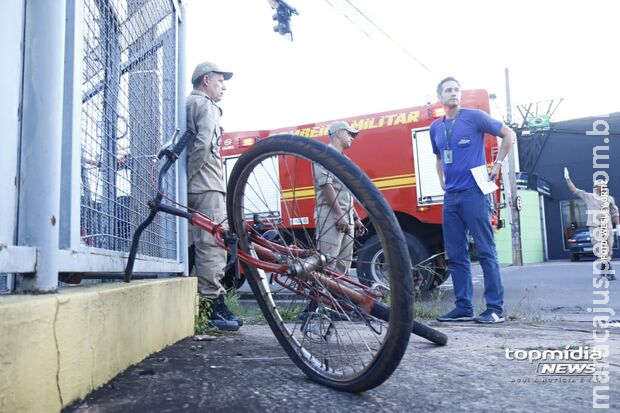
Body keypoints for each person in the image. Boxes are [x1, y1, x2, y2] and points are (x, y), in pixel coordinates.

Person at [430, 77, 516, 324]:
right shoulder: (436, 127)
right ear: (440, 96)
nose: (454, 93)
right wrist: (441, 179)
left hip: (474, 193)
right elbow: (438, 157)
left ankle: (495, 309)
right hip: (452, 197)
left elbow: (508, 134)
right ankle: (463, 307)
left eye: (457, 89)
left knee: (486, 250)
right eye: (448, 90)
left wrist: (498, 163)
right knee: (456, 254)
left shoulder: (474, 117)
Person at [186, 61, 241, 331]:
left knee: (196, 247)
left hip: (196, 186)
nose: (224, 87)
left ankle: (208, 304)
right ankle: (211, 308)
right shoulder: (205, 105)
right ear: (206, 80)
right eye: (220, 81)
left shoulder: (187, 104)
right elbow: (204, 146)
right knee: (212, 246)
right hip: (206, 185)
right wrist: (190, 176)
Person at [312, 121, 365, 275]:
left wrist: (355, 218)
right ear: (338, 133)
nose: (352, 138)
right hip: (330, 216)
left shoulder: (345, 160)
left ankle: (339, 299)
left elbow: (345, 192)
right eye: (349, 133)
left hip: (344, 217)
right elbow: (326, 185)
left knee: (343, 267)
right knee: (327, 264)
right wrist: (339, 215)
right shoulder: (324, 155)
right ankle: (321, 298)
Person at [564, 167, 619, 280]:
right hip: (595, 227)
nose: (603, 188)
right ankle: (609, 273)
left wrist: (617, 225)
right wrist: (567, 178)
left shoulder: (609, 198)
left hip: (607, 226)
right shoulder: (589, 196)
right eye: (601, 186)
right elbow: (574, 190)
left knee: (608, 250)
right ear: (596, 187)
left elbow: (615, 213)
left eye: (604, 186)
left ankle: (604, 273)